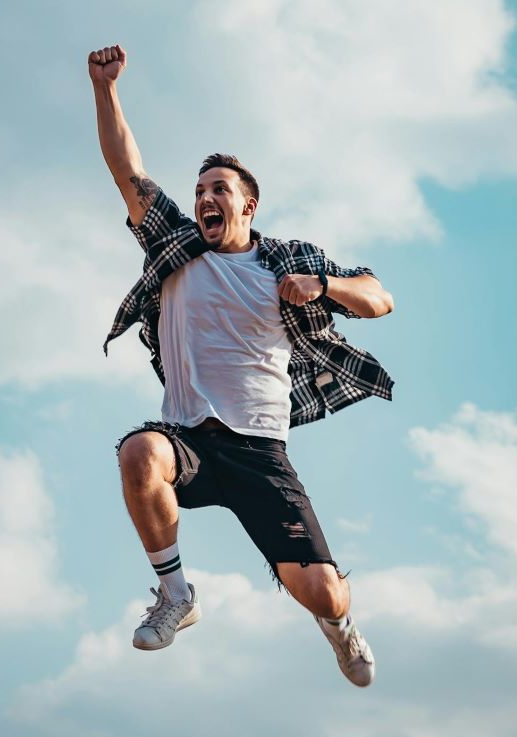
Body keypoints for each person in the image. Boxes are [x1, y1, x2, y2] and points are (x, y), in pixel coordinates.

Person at [89, 43, 394, 687]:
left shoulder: (285, 261)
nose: (205, 198)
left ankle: (340, 626)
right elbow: (126, 170)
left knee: (324, 592)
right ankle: (176, 596)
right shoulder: (175, 243)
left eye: (219, 190)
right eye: (200, 190)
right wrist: (106, 88)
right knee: (139, 453)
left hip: (260, 453)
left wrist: (322, 285)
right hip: (188, 440)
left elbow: (378, 297)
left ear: (248, 205)